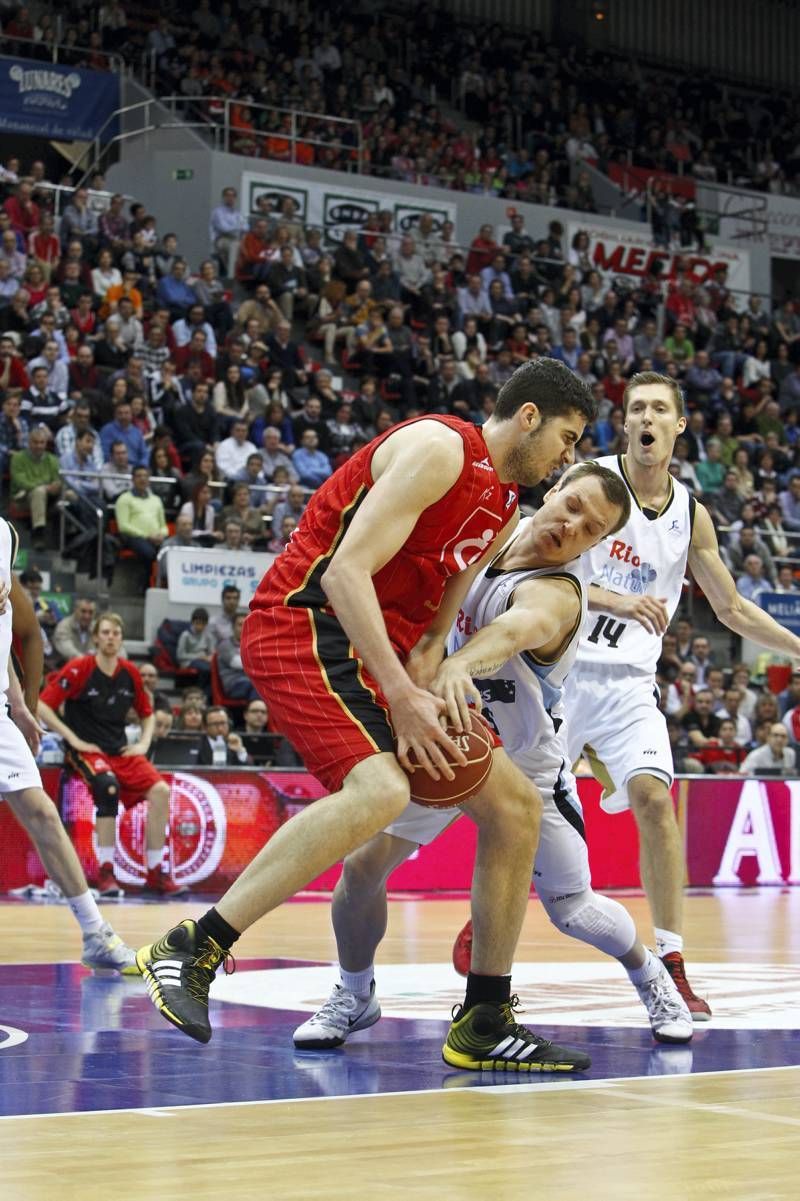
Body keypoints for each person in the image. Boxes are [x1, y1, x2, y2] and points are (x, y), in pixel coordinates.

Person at [136, 358, 597, 1068]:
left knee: (515, 805)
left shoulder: (505, 504)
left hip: (379, 649)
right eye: (567, 438)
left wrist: (434, 664)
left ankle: (483, 1015)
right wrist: (405, 697)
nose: (568, 457)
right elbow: (345, 572)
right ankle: (194, 947)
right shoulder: (441, 449)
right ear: (528, 416)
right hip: (306, 621)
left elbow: (447, 601)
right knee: (381, 789)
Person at [293, 465, 692, 1051]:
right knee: (361, 868)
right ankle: (353, 993)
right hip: (450, 740)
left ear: (596, 546)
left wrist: (458, 664)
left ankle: (650, 974)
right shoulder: (492, 531)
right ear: (552, 492)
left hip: (526, 764)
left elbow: (511, 631)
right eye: (572, 505)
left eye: (590, 528)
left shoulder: (561, 593)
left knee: (573, 908)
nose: (572, 525)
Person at [497, 370, 800, 1023]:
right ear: (625, 422)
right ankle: (487, 930)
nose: (647, 418)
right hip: (560, 669)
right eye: (637, 408)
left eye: (661, 408)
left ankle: (673, 959)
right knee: (520, 817)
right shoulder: (589, 482)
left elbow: (733, 607)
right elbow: (532, 554)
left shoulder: (691, 511)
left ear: (680, 425)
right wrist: (612, 598)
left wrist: (797, 646)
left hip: (630, 682)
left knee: (656, 799)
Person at [0, 534, 136, 972]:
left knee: (41, 813)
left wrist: (19, 703)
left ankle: (96, 933)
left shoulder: (5, 534)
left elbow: (11, 634)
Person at [37, 613, 185, 897]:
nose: (110, 637)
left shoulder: (129, 672)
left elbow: (147, 713)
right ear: (95, 637)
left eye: (116, 633)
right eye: (105, 632)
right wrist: (73, 739)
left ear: (121, 638)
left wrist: (143, 743)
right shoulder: (80, 668)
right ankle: (106, 871)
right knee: (107, 786)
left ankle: (155, 873)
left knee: (162, 791)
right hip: (87, 750)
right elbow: (43, 706)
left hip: (120, 750)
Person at [216, 612, 259, 701]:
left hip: (249, 681)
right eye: (239, 625)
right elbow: (237, 663)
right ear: (232, 627)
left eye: (245, 625)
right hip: (233, 684)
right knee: (257, 687)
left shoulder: (251, 644)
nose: (243, 628)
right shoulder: (225, 645)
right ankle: (255, 712)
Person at [176, 607, 214, 687]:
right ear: (192, 622)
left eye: (202, 624)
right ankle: (199, 689)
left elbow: (212, 653)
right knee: (206, 669)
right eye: (197, 623)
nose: (199, 626)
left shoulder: (208, 636)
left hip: (204, 661)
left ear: (206, 624)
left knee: (215, 670)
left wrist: (209, 658)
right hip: (188, 662)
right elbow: (180, 655)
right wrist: (199, 657)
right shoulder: (185, 635)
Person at [52, 597, 96, 664]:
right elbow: (66, 649)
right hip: (66, 668)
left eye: (90, 612)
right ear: (75, 610)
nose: (87, 616)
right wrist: (86, 662)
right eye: (83, 611)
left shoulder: (97, 627)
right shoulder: (64, 626)